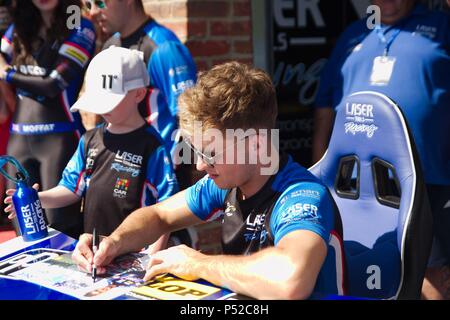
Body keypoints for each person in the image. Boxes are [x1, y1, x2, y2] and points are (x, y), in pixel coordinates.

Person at [71, 62, 346, 300]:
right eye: (197, 152)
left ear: (257, 146)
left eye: (212, 153)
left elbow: (291, 281)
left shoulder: (302, 195)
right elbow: (159, 215)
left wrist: (197, 264)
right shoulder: (228, 181)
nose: (201, 165)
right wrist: (114, 242)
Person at [312, 0, 450, 299]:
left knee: (429, 270)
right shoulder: (354, 35)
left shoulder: (441, 26)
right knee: (356, 258)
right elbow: (325, 105)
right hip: (354, 185)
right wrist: (317, 175)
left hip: (428, 177)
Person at [4, 47, 178, 252]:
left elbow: (167, 209)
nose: (103, 109)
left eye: (110, 101)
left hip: (136, 253)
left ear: (139, 94)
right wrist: (38, 198)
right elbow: (71, 188)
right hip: (94, 250)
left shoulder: (152, 147)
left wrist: (152, 256)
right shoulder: (89, 140)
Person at [0, 0, 96, 238]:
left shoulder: (79, 26)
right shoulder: (19, 27)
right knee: (23, 229)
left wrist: (7, 72)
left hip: (60, 138)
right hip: (19, 140)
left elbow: (53, 83)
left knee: (60, 229)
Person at [86, 0, 197, 163]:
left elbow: (191, 118)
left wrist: (170, 168)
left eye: (100, 3)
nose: (93, 12)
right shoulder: (110, 46)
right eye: (89, 5)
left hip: (159, 172)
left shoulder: (164, 47)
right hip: (119, 166)